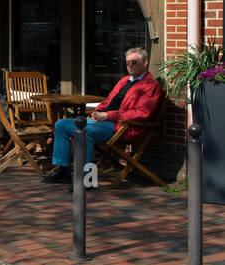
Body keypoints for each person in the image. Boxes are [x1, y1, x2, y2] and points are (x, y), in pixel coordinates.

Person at [43, 47, 164, 182]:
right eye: (128, 62)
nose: (130, 65)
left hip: (123, 127)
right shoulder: (124, 81)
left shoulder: (150, 86)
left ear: (145, 62)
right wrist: (98, 112)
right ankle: (63, 171)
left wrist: (108, 116)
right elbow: (108, 101)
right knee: (61, 124)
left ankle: (87, 180)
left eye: (134, 62)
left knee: (85, 132)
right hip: (105, 121)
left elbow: (142, 113)